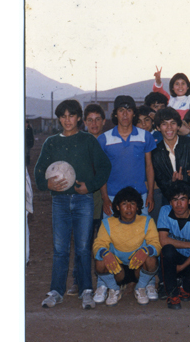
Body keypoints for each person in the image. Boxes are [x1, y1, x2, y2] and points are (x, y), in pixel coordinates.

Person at [34, 99, 112, 309]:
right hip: (59, 201)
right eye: (63, 116)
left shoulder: (88, 141)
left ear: (79, 118)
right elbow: (39, 170)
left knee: (83, 247)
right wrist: (46, 183)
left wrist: (91, 186)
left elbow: (105, 166)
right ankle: (56, 291)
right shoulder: (51, 142)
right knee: (60, 249)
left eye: (71, 115)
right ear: (59, 119)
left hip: (83, 200)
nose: (67, 120)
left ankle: (86, 290)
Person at [92, 187, 161, 306]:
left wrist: (146, 250)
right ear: (117, 207)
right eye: (124, 204)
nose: (129, 208)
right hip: (118, 270)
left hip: (139, 268)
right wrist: (105, 253)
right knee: (100, 261)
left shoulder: (147, 221)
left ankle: (141, 287)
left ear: (138, 207)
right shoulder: (108, 222)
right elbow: (98, 244)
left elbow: (156, 244)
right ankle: (114, 289)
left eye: (132, 204)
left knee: (151, 259)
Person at [66, 103, 108, 296]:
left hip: (104, 199)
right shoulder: (79, 141)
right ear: (84, 122)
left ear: (104, 121)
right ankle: (78, 281)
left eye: (98, 119)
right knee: (83, 243)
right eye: (90, 120)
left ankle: (103, 282)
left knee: (103, 243)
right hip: (84, 198)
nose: (94, 123)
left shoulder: (108, 140)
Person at [98, 96, 157, 218]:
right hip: (112, 196)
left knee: (141, 234)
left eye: (129, 110)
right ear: (115, 114)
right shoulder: (104, 139)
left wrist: (150, 194)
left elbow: (149, 166)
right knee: (111, 235)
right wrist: (105, 198)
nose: (125, 115)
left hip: (140, 195)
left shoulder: (145, 136)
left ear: (134, 114)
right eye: (121, 110)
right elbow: (100, 172)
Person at [157, 181, 190, 310]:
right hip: (172, 261)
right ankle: (172, 293)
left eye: (183, 199)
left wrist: (181, 267)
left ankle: (185, 288)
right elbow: (163, 240)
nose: (179, 204)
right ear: (170, 202)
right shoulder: (165, 211)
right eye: (175, 200)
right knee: (167, 249)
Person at [151, 107, 190, 209]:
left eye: (173, 123)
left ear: (179, 126)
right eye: (164, 124)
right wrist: (173, 183)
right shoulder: (155, 153)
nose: (169, 127)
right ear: (158, 127)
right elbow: (161, 183)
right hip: (169, 201)